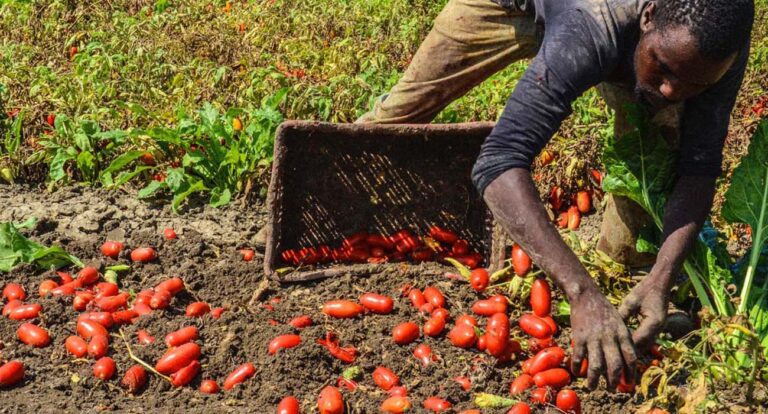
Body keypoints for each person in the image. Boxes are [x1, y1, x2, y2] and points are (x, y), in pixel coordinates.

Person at [356, 0, 755, 390]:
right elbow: (498, 161)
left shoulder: (716, 44)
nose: (671, 90)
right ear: (648, 16)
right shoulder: (596, 23)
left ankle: (630, 279)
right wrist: (580, 292)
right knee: (402, 111)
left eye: (694, 83)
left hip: (628, 40)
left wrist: (662, 278)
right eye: (663, 69)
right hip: (513, 6)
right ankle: (351, 189)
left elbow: (698, 168)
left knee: (653, 152)